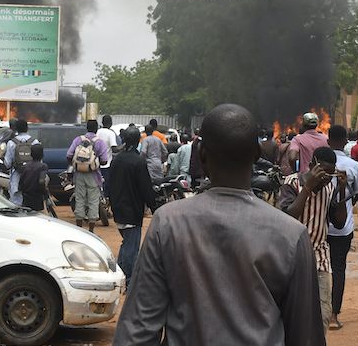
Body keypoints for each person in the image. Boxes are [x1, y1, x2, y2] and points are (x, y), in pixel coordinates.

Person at [114, 104, 326, 345]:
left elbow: (137, 331)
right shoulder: (291, 234)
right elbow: (306, 336)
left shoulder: (168, 223)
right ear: (257, 154)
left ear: (202, 154)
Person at [279, 146, 349, 330]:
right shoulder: (292, 183)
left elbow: (340, 223)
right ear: (312, 166)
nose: (326, 180)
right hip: (292, 258)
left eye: (330, 176)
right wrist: (308, 188)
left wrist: (341, 190)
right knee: (293, 315)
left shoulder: (329, 188)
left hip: (319, 257)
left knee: (322, 315)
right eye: (323, 175)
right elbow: (288, 216)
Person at [326, 125, 358, 331]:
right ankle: (334, 315)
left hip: (317, 227)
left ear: (328, 142)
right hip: (342, 228)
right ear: (346, 141)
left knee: (316, 270)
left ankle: (315, 312)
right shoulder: (353, 166)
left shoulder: (318, 164)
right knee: (338, 269)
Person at [106, 127, 159, 282]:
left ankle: (120, 273)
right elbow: (146, 188)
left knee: (127, 243)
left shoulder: (117, 160)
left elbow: (109, 184)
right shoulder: (138, 161)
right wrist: (154, 207)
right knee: (131, 247)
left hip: (118, 209)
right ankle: (128, 279)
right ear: (138, 141)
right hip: (132, 210)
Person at [66, 120, 112, 231]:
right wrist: (94, 163)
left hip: (79, 176)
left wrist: (77, 164)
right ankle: (91, 230)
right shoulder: (99, 142)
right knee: (93, 201)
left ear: (86, 128)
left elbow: (69, 155)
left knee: (80, 200)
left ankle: (79, 228)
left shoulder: (78, 140)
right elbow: (105, 161)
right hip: (94, 176)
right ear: (96, 129)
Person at [4, 119, 40, 206]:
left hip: (17, 176)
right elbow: (40, 162)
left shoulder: (11, 143)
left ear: (16, 129)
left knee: (16, 204)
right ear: (27, 128)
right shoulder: (35, 142)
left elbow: (7, 163)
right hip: (32, 177)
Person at [16, 144, 49, 212]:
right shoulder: (43, 166)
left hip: (26, 198)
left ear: (31, 154)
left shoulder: (25, 166)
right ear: (42, 155)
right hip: (37, 198)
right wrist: (45, 193)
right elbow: (41, 181)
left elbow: (21, 183)